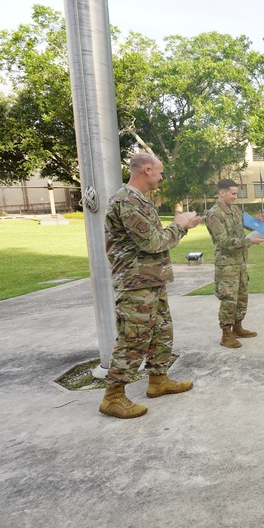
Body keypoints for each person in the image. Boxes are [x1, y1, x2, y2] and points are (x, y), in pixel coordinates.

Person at [100, 152, 202, 419]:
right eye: (159, 172)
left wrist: (182, 226)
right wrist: (179, 225)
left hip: (151, 280)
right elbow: (153, 242)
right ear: (146, 170)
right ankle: (113, 396)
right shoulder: (126, 202)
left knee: (161, 332)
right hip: (135, 283)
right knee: (133, 338)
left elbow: (154, 241)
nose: (161, 176)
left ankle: (158, 381)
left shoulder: (141, 201)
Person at [206, 178, 264, 349]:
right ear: (222, 192)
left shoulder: (234, 209)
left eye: (236, 194)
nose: (235, 197)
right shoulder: (214, 214)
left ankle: (238, 328)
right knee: (228, 299)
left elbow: (246, 225)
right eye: (233, 194)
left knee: (241, 297)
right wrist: (249, 241)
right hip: (226, 265)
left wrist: (258, 222)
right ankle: (226, 335)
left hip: (240, 262)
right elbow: (224, 240)